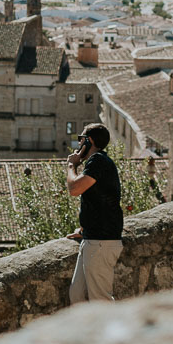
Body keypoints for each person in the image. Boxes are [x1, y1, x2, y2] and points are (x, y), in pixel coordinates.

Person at [65, 123, 123, 302]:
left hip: (101, 242)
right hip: (92, 238)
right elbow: (99, 200)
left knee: (101, 300)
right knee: (77, 295)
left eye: (80, 139)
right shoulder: (97, 162)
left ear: (89, 141)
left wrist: (71, 165)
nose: (78, 144)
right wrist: (84, 229)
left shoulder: (98, 161)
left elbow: (75, 189)